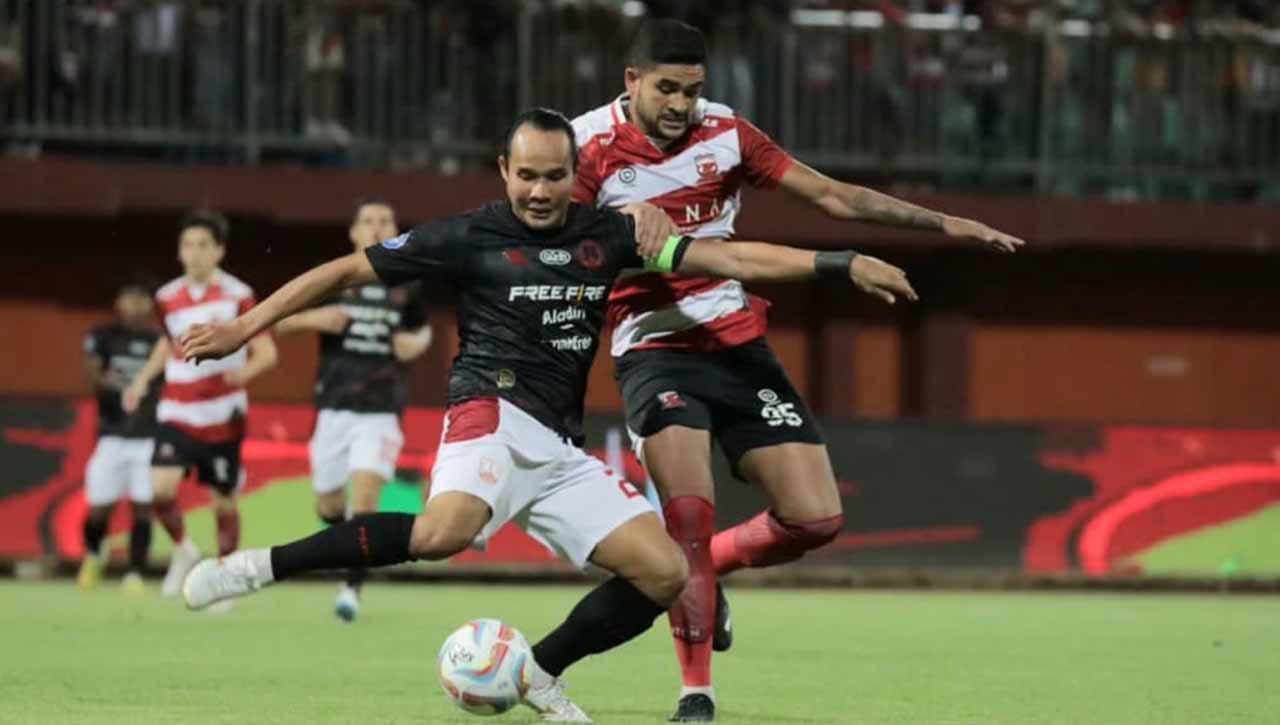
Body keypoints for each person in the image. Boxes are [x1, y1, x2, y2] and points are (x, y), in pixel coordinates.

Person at [177, 108, 916, 723]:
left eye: (554, 175)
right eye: (525, 175)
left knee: (664, 572)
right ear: (504, 170)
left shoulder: (610, 236)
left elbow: (732, 262)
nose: (538, 190)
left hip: (559, 447)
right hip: (488, 409)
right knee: (443, 531)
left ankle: (536, 670)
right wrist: (247, 327)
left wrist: (838, 263)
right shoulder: (468, 237)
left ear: (575, 174)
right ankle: (252, 568)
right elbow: (344, 270)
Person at [571, 19, 1025, 721]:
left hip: (736, 340)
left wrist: (943, 224)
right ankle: (697, 692)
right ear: (630, 81)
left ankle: (706, 568)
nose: (680, 104)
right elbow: (558, 249)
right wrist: (616, 230)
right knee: (687, 511)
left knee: (816, 518)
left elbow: (833, 195)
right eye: (666, 88)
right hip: (653, 345)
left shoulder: (727, 132)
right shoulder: (584, 146)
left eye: (692, 90)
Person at [275, 198, 431, 621]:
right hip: (333, 408)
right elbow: (278, 320)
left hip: (380, 410)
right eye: (368, 221)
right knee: (329, 506)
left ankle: (351, 587)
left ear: (396, 229)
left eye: (385, 220)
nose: (377, 227)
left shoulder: (408, 282)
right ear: (353, 232)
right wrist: (317, 318)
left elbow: (422, 331)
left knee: (364, 501)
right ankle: (347, 545)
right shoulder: (333, 279)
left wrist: (414, 345)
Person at [122, 209, 279, 598]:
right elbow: (167, 342)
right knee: (160, 490)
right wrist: (142, 380)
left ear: (220, 251)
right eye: (187, 245)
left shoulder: (239, 296)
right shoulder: (166, 297)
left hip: (223, 415)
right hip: (176, 410)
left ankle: (224, 579)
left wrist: (245, 373)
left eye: (203, 245)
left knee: (223, 500)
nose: (194, 253)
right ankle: (183, 550)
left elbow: (267, 352)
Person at [78, 284, 162, 593]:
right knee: (99, 508)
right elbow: (93, 374)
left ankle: (135, 573)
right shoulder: (103, 336)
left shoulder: (159, 340)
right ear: (118, 301)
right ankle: (92, 555)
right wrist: (118, 385)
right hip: (111, 436)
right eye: (129, 298)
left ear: (150, 304)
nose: (135, 305)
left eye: (142, 299)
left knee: (143, 507)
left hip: (147, 437)